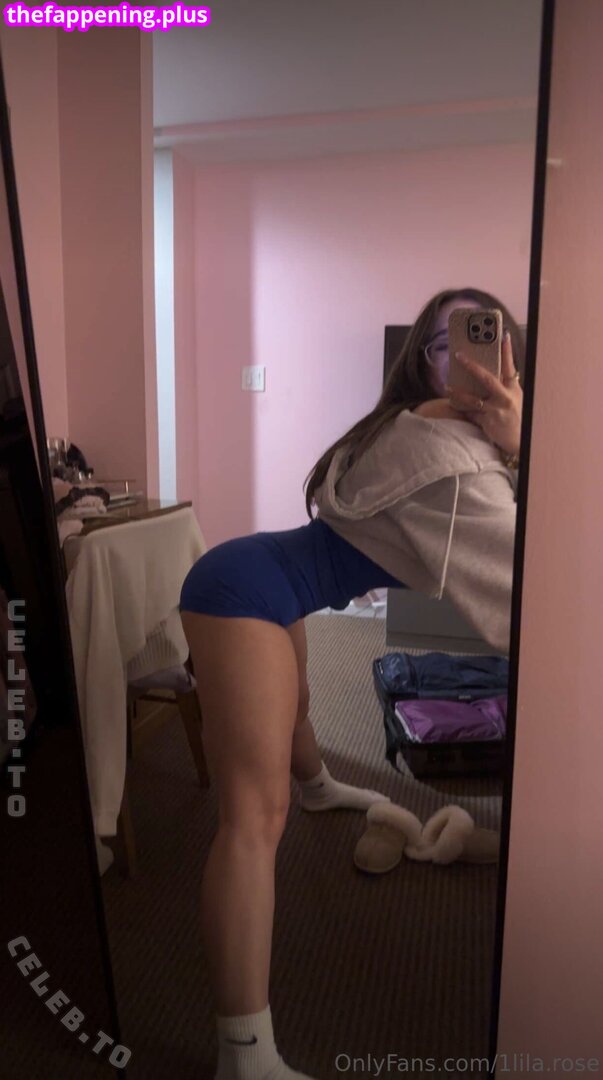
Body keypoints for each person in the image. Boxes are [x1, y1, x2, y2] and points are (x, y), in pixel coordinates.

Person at [179, 287, 524, 1080]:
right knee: (251, 818)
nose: (470, 358)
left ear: (511, 356)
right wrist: (517, 443)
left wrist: (509, 443)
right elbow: (526, 579)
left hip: (271, 571)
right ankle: (242, 1055)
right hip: (239, 591)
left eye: (488, 338)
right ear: (424, 360)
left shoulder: (415, 426)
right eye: (448, 342)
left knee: (297, 709)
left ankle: (319, 788)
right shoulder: (448, 457)